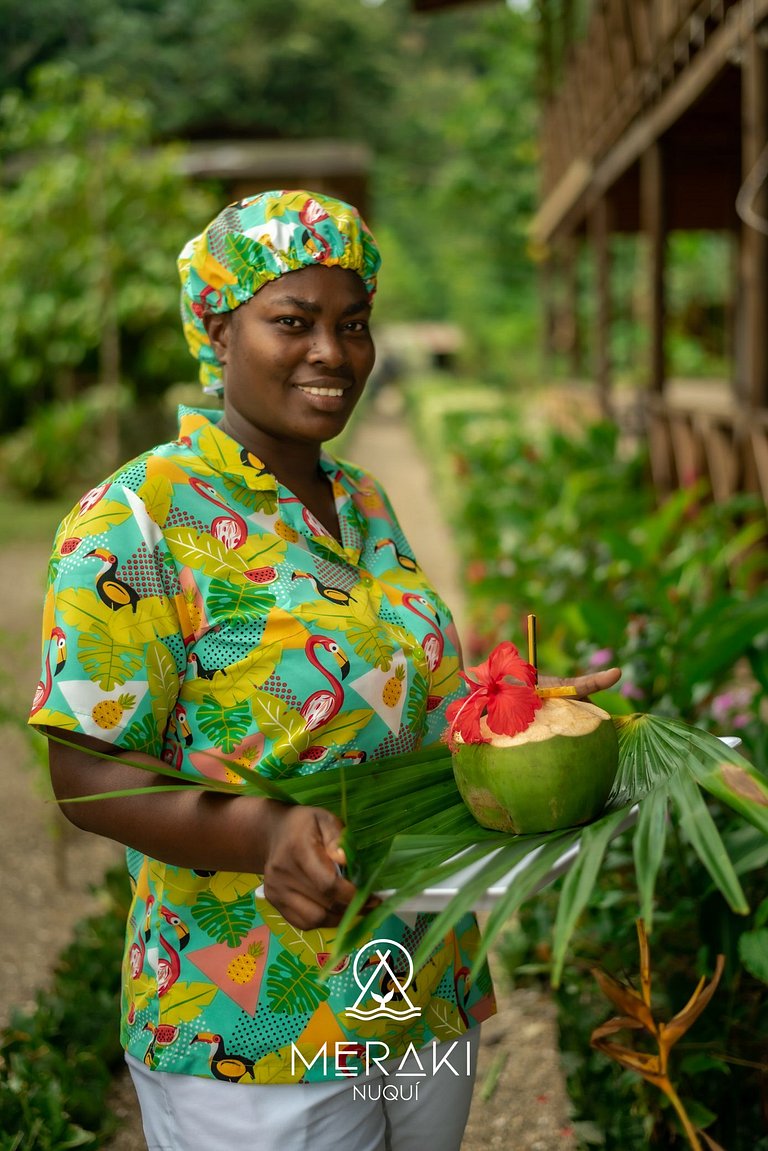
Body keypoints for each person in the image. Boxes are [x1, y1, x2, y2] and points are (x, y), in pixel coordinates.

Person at [29, 189, 620, 1151]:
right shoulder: (133, 518)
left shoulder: (361, 498)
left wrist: (509, 712)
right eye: (292, 321)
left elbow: (395, 698)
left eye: (353, 324)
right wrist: (267, 831)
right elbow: (86, 777)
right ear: (218, 328)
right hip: (249, 1010)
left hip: (414, 978)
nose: (332, 353)